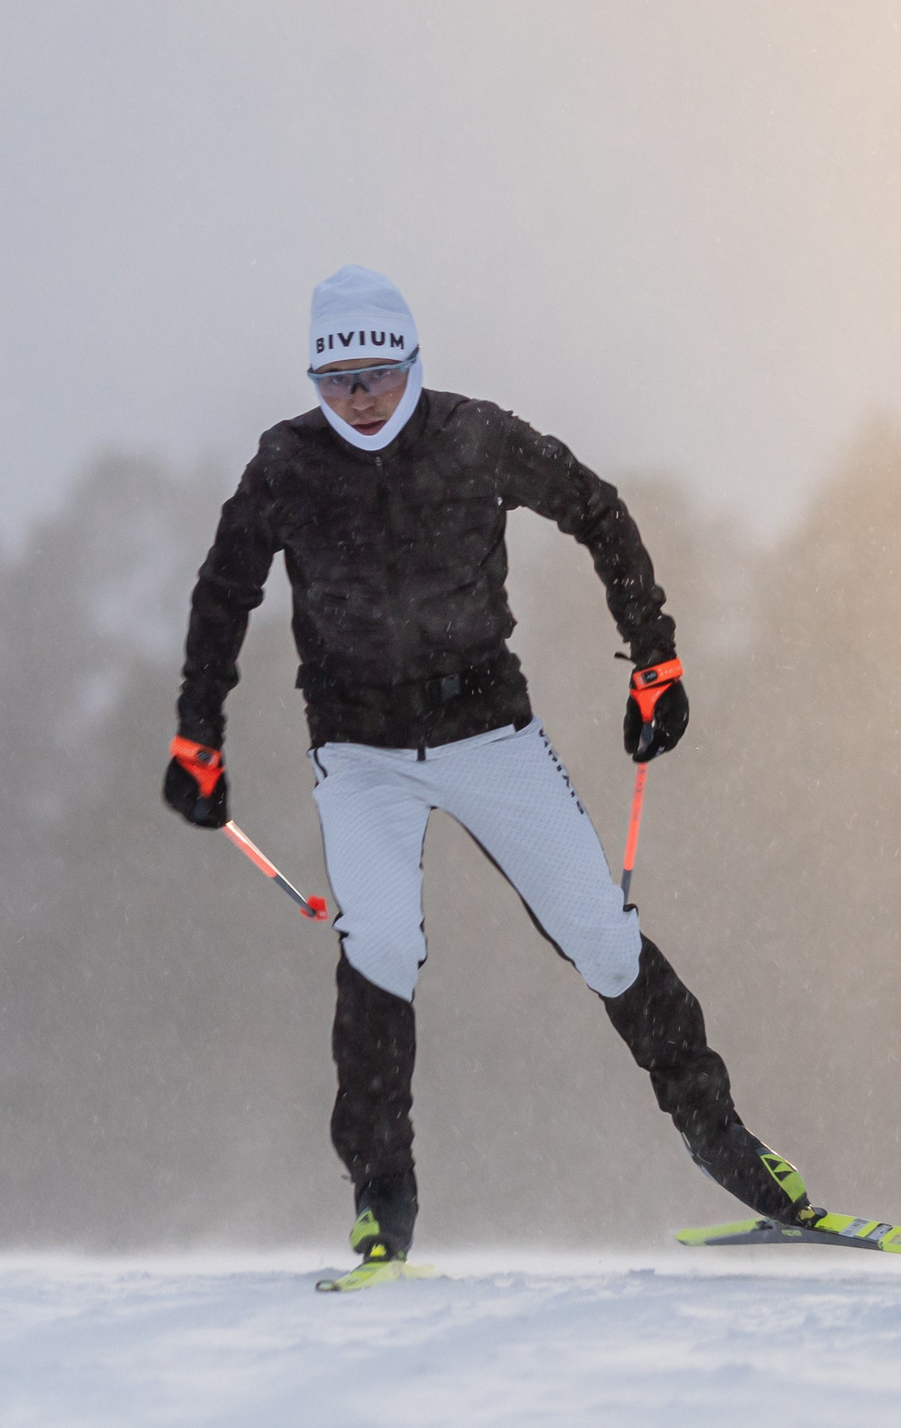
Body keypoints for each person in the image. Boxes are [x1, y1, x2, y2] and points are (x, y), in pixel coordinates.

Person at [162, 264, 819, 1275]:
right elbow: (223, 591)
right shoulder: (286, 464)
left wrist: (656, 655)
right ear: (315, 382)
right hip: (360, 752)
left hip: (489, 734)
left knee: (601, 933)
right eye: (338, 382)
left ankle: (731, 1148)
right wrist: (195, 734)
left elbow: (595, 508)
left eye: (379, 371)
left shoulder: (476, 435)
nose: (362, 397)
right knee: (379, 940)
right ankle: (383, 1201)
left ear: (413, 362)